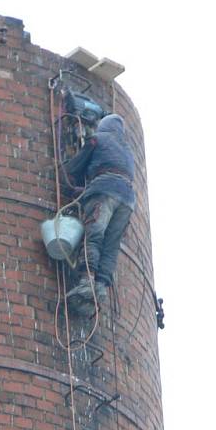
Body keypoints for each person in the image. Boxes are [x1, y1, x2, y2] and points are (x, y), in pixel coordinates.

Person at [62, 113, 135, 310]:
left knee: (93, 236)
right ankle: (101, 287)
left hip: (104, 191)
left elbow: (75, 167)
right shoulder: (128, 152)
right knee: (111, 245)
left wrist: (66, 182)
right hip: (128, 201)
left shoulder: (97, 138)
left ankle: (87, 282)